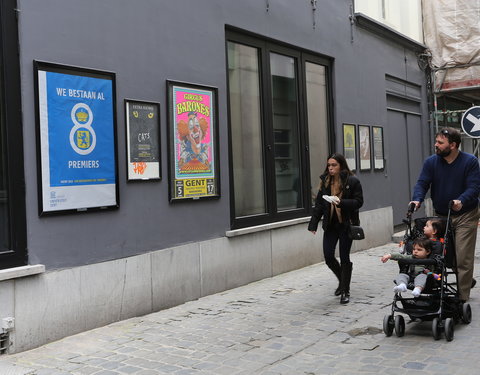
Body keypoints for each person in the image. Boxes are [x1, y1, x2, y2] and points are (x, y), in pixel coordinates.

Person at [410, 127, 480, 302]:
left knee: (463, 256)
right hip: (440, 216)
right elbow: (422, 183)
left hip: (466, 214)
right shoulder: (431, 162)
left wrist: (460, 200)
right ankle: (457, 281)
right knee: (441, 254)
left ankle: (462, 299)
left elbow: (474, 187)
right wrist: (417, 199)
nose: (436, 145)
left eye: (440, 143)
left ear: (453, 145)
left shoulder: (470, 161)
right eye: (436, 141)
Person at [308, 153, 364, 304]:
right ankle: (342, 280)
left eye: (334, 165)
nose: (331, 168)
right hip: (331, 225)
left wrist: (341, 202)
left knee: (345, 257)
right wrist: (313, 224)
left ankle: (345, 291)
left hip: (346, 224)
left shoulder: (352, 181)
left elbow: (359, 202)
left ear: (341, 166)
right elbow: (319, 205)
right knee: (328, 256)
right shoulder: (325, 182)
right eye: (329, 165)